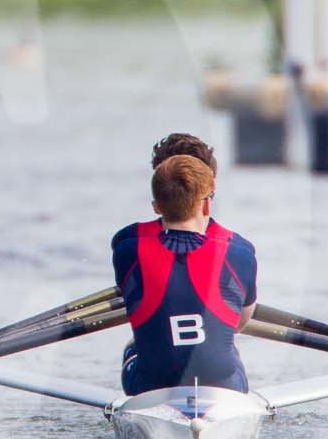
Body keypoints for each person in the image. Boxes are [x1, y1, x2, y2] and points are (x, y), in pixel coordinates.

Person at [111, 152, 258, 395]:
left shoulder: (128, 251)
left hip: (152, 384)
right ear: (207, 203)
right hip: (221, 383)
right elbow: (240, 322)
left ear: (157, 207)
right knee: (230, 347)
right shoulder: (240, 254)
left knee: (133, 347)